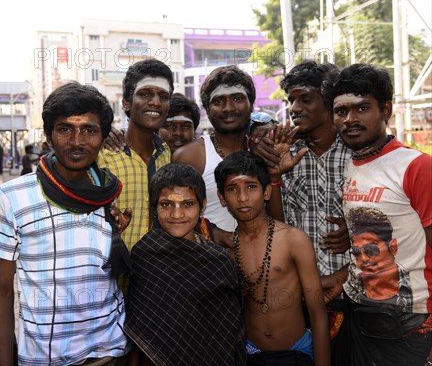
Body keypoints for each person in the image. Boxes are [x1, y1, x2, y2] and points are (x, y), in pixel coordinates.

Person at [0, 82, 132, 365]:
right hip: (45, 358)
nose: (77, 141)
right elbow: (0, 291)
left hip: (112, 352)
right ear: (48, 136)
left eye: (89, 130)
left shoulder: (108, 192)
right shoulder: (12, 197)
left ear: (102, 136)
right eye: (65, 129)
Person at [322, 63, 432, 366]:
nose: (349, 119)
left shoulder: (416, 167)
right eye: (341, 111)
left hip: (414, 326)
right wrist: (342, 280)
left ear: (386, 110)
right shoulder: (351, 164)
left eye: (361, 108)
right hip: (364, 321)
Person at [251, 61, 351, 366]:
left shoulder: (356, 151)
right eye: (291, 100)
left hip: (353, 292)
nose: (295, 107)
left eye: (305, 99)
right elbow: (279, 226)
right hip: (299, 298)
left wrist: (355, 230)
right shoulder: (285, 152)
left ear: (329, 102)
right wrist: (275, 176)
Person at [215, 151, 330, 366]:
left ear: (267, 191)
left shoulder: (293, 240)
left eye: (251, 187)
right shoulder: (227, 249)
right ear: (222, 198)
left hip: (297, 350)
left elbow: (317, 312)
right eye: (232, 189)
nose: (242, 198)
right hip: (251, 353)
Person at [125, 163, 247, 365]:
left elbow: (228, 325)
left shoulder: (218, 260)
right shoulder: (145, 253)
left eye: (188, 204)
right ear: (154, 207)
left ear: (203, 205)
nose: (177, 214)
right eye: (166, 204)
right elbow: (140, 329)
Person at [98, 58, 173, 255]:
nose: (155, 102)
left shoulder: (166, 153)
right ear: (126, 103)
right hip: (110, 274)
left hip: (157, 274)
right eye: (145, 94)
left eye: (163, 96)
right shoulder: (103, 153)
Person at [173, 65, 256, 233]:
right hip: (204, 257)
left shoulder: (263, 149)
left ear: (251, 105)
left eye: (237, 99)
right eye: (218, 101)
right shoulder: (190, 156)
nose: (228, 108)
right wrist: (212, 233)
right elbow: (175, 216)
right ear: (207, 110)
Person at [347, 207, 413, 307]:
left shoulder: (416, 287)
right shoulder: (352, 288)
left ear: (393, 247)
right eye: (356, 252)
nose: (363, 258)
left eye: (371, 250)